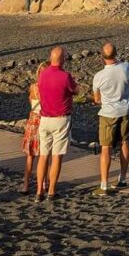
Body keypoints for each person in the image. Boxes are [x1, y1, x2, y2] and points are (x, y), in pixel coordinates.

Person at [92, 42, 129, 195]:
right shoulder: (127, 67)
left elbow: (97, 99)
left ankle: (104, 184)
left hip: (108, 113)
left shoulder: (99, 76)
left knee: (106, 147)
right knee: (124, 142)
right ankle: (122, 179)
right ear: (116, 53)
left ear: (101, 57)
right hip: (125, 110)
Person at [35, 46, 78, 202]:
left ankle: (39, 190)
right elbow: (75, 90)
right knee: (57, 156)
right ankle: (51, 190)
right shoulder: (65, 76)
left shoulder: (42, 75)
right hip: (60, 118)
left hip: (45, 118)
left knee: (43, 156)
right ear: (62, 59)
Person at [21, 70, 42, 194]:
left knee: (30, 156)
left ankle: (26, 185)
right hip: (43, 121)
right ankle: (43, 184)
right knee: (43, 156)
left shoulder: (33, 87)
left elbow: (31, 101)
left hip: (32, 121)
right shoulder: (47, 88)